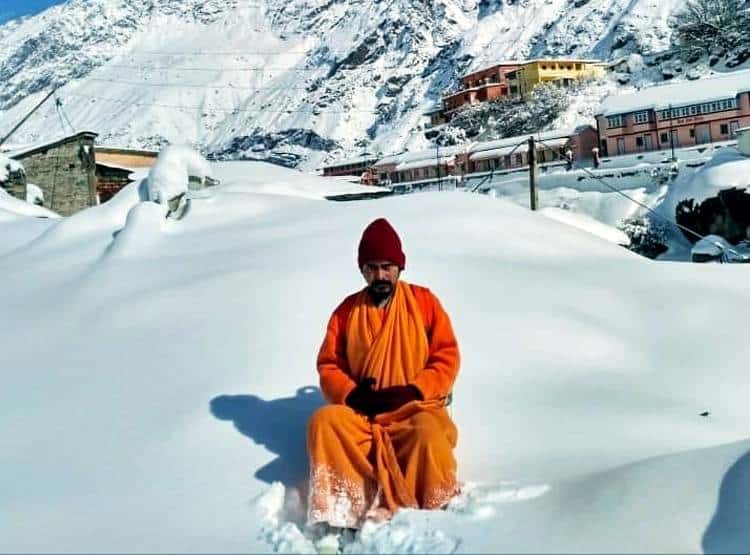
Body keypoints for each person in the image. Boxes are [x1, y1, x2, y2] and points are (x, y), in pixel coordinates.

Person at [307, 217, 461, 531]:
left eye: (387, 266)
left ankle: (433, 509)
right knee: (324, 422)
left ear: (400, 268)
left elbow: (447, 356)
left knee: (429, 434)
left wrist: (414, 391)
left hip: (413, 410)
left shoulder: (424, 302)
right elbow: (329, 365)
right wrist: (352, 395)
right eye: (373, 267)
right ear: (362, 270)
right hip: (364, 416)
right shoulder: (346, 311)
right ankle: (347, 505)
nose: (380, 275)